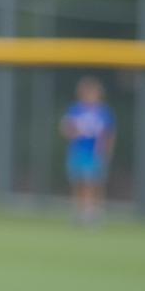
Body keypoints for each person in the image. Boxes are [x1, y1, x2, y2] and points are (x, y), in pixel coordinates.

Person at [60, 76, 116, 224]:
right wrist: (73, 132)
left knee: (93, 182)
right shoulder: (75, 110)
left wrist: (107, 151)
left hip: (95, 153)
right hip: (78, 151)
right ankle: (79, 212)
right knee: (78, 182)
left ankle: (93, 213)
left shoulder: (104, 112)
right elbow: (66, 129)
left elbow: (109, 134)